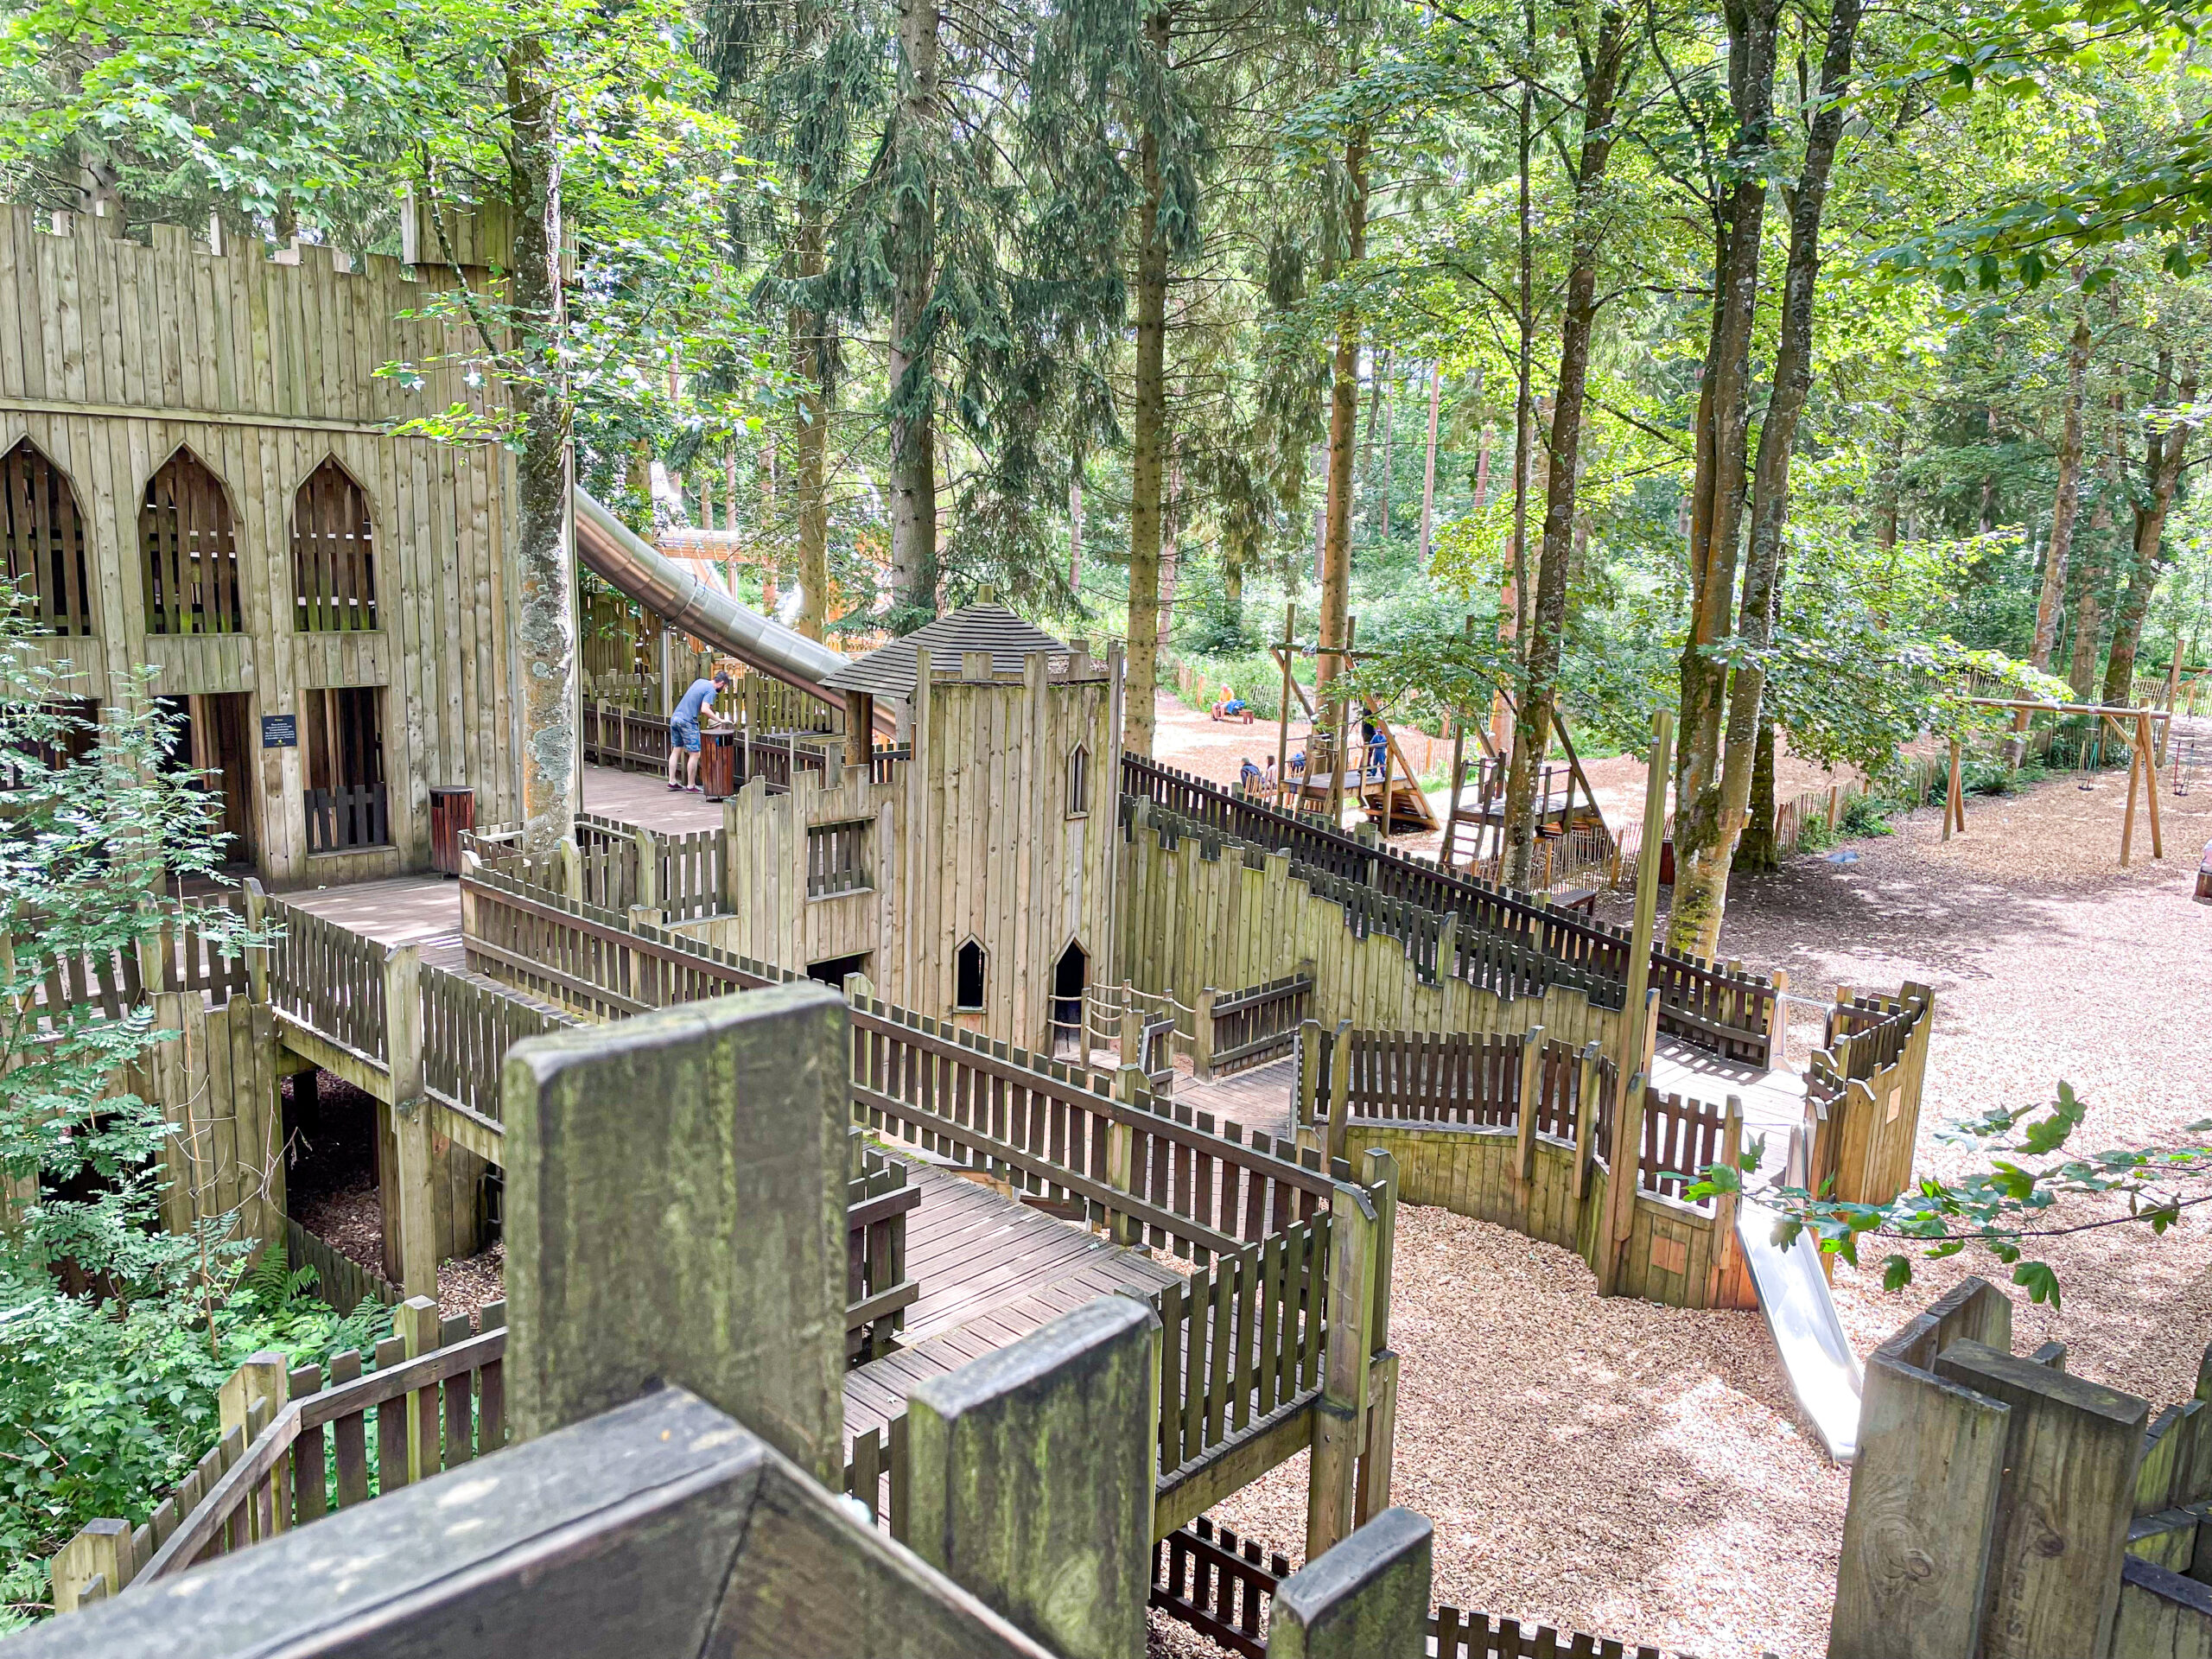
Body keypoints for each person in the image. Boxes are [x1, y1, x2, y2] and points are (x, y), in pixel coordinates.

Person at [666, 670, 732, 791]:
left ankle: (672, 781)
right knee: (695, 753)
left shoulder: (700, 681)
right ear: (721, 683)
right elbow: (705, 709)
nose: (723, 690)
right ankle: (691, 785)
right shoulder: (711, 690)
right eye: (725, 687)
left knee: (676, 750)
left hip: (675, 717)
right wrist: (720, 720)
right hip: (687, 721)